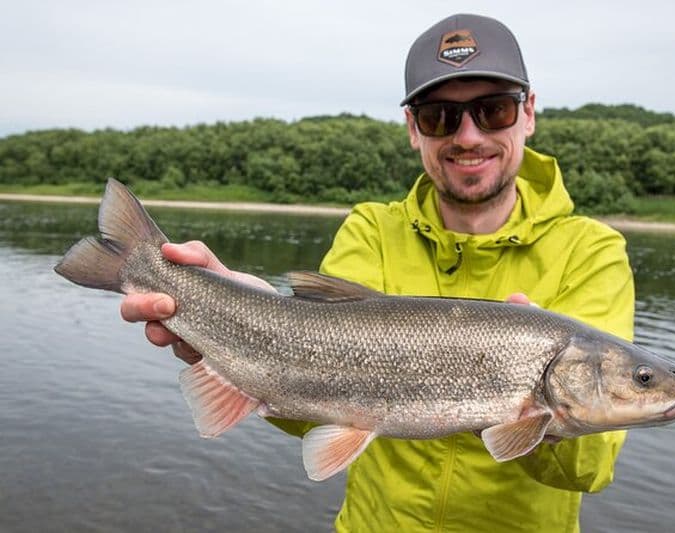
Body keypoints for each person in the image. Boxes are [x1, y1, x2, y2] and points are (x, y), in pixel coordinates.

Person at [121, 13, 634, 532]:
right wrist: (236, 320)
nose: (468, 135)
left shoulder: (592, 252)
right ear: (414, 128)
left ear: (528, 113)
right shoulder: (370, 230)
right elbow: (310, 413)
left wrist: (542, 420)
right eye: (440, 117)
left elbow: (591, 467)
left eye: (493, 110)